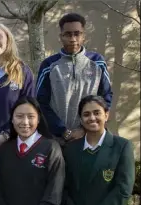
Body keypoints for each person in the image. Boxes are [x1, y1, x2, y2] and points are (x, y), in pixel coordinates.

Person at [36, 13, 113, 144]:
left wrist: (84, 129)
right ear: (61, 37)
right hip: (57, 139)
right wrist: (63, 130)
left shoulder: (97, 62)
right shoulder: (49, 65)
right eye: (68, 34)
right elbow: (41, 102)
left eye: (77, 34)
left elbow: (106, 97)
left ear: (84, 36)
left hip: (91, 135)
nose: (73, 39)